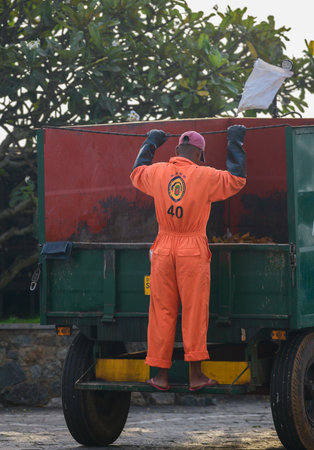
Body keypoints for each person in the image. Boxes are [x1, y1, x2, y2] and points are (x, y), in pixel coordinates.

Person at [130, 125, 246, 391]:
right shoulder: (204, 175)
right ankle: (196, 377)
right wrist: (235, 142)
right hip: (192, 249)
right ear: (199, 156)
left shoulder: (158, 171)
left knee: (161, 312)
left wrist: (150, 143)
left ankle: (160, 376)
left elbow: (136, 172)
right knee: (194, 312)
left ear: (176, 151)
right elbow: (237, 179)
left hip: (162, 248)